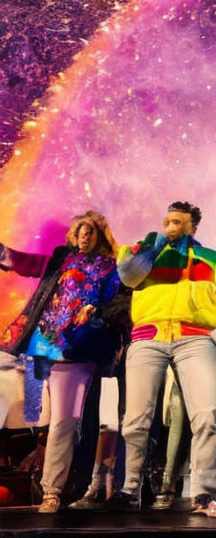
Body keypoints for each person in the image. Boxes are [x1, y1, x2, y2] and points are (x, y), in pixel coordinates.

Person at [108, 202, 216, 518]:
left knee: (208, 413)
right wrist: (150, 243)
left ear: (192, 226)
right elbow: (128, 276)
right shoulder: (148, 254)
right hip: (148, 336)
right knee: (135, 419)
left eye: (176, 222)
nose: (170, 227)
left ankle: (205, 492)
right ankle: (130, 488)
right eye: (167, 221)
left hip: (194, 335)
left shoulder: (212, 259)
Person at [0, 211, 124, 513]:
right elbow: (28, 263)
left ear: (100, 235)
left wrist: (95, 311)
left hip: (76, 351)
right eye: (80, 230)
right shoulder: (61, 258)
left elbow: (115, 303)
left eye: (90, 231)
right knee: (28, 412)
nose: (84, 235)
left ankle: (52, 491)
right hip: (39, 346)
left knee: (62, 424)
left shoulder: (111, 267)